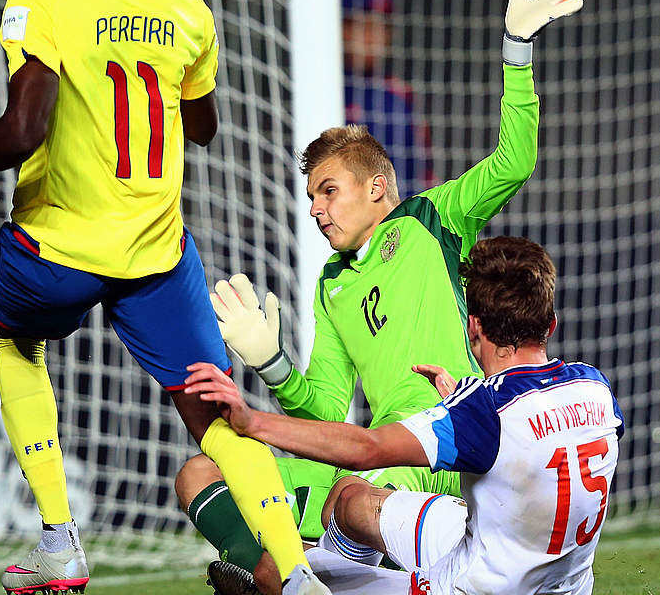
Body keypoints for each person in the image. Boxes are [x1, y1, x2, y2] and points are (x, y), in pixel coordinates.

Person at [0, 0, 326, 593]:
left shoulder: (42, 0)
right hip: (154, 255)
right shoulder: (185, 5)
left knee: (13, 339)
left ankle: (60, 542)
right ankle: (303, 575)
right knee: (216, 406)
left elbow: (23, 129)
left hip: (57, 249)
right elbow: (205, 127)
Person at [175, 0, 585, 593]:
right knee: (202, 473)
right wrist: (273, 364)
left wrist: (517, 51)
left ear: (378, 188)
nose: (316, 208)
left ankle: (281, 578)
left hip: (443, 453)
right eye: (312, 196)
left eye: (329, 191)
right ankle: (280, 575)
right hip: (374, 455)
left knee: (338, 504)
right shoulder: (331, 284)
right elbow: (324, 407)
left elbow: (515, 159)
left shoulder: (433, 219)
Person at [185, 236, 624, 595]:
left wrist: (253, 421)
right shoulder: (595, 387)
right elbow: (539, 439)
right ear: (550, 324)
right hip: (542, 570)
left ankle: (300, 572)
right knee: (350, 500)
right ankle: (322, 562)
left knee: (274, 576)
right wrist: (465, 400)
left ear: (472, 328)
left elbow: (368, 449)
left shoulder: (485, 411)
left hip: (472, 586)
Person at [341, 0, 435, 196]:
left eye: (382, 27)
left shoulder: (401, 94)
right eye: (365, 26)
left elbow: (424, 170)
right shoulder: (323, 93)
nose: (374, 36)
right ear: (343, 30)